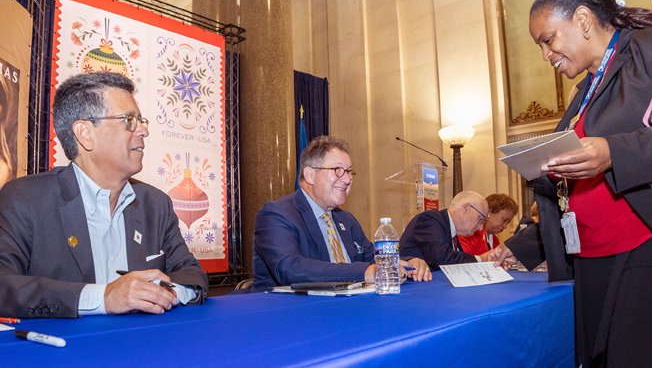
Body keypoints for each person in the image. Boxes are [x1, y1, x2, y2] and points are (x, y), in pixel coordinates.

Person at [490, 0, 652, 367]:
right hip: (591, 263)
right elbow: (579, 198)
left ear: (584, 20)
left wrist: (613, 152)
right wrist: (517, 243)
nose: (545, 55)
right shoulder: (583, 95)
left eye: (547, 40)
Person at [0, 72, 208, 319]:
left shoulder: (156, 204)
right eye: (129, 120)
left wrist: (158, 293)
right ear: (85, 134)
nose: (143, 130)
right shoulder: (25, 199)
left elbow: (192, 276)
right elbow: (4, 287)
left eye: (141, 120)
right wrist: (104, 298)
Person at [252, 136, 432, 292]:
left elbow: (372, 258)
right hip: (289, 315)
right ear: (310, 175)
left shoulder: (346, 219)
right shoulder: (277, 214)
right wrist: (365, 272)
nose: (347, 179)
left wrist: (409, 263)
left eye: (349, 172)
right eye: (338, 170)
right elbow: (289, 269)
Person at [399, 191, 512, 271]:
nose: (480, 227)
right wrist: (480, 258)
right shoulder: (430, 218)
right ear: (466, 208)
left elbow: (455, 258)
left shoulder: (451, 230)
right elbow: (441, 258)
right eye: (481, 220)